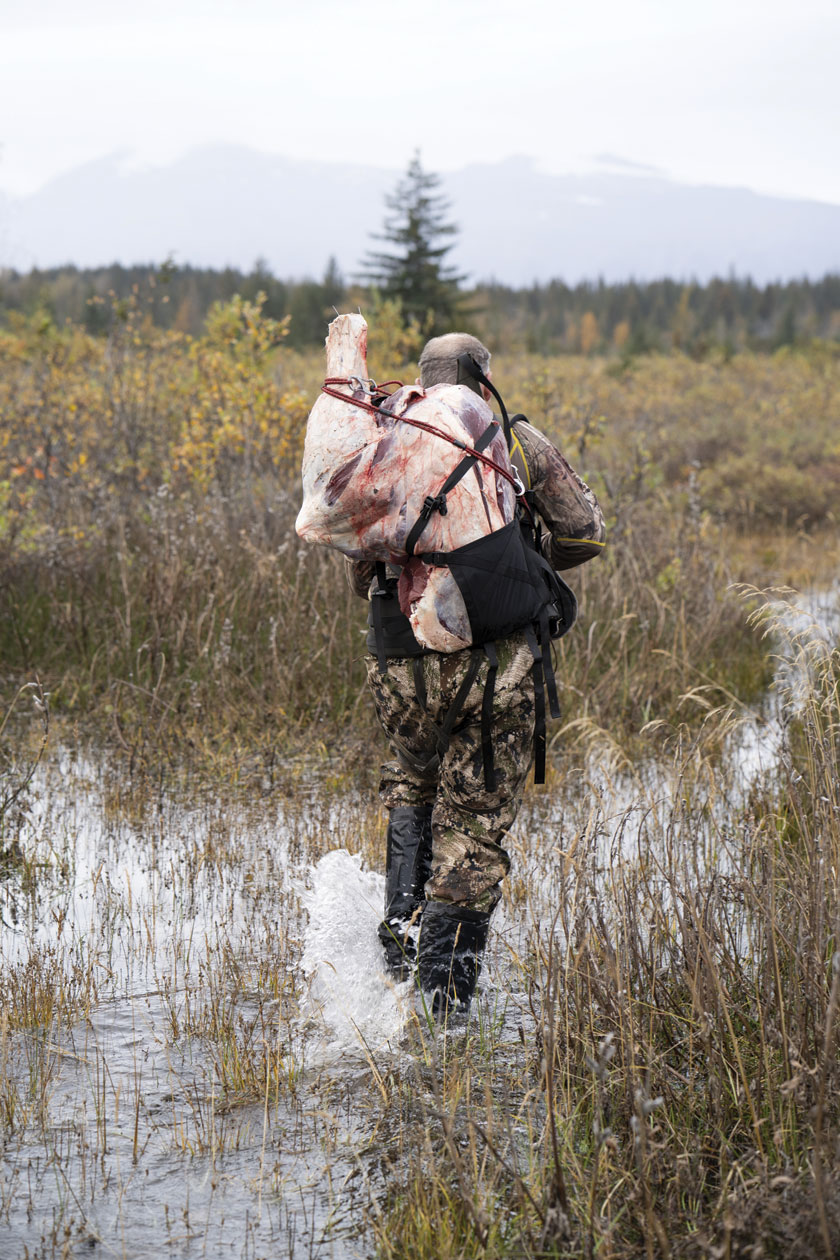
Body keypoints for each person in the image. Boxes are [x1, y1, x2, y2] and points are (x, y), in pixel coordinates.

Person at [346, 332, 606, 1016]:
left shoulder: (389, 437)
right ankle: (442, 1019)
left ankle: (399, 950)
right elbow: (582, 532)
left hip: (398, 665)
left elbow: (361, 567)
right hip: (490, 667)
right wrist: (515, 550)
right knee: (473, 831)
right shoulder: (508, 436)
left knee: (412, 780)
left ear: (426, 378)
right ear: (483, 379)